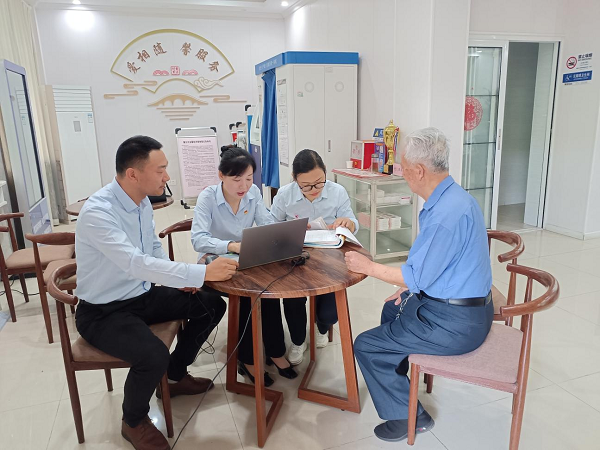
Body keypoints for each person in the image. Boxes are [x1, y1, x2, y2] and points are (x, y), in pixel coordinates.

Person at [75, 136, 238, 450]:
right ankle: (133, 420)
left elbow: (152, 249)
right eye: (160, 170)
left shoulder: (141, 203)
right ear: (133, 174)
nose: (167, 177)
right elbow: (135, 263)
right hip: (103, 311)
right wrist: (201, 273)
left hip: (141, 295)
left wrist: (180, 280)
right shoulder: (99, 212)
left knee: (210, 304)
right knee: (152, 355)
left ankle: (175, 376)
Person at [345, 128, 493, 443]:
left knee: (366, 345)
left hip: (456, 323)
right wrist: (411, 286)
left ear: (420, 171)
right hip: (458, 306)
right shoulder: (453, 198)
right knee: (391, 308)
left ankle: (411, 417)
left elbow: (418, 276)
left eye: (403, 167)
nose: (401, 172)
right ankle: (400, 384)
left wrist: (368, 267)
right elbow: (434, 267)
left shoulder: (445, 215)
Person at [190, 147, 297, 386]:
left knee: (269, 288)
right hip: (216, 261)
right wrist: (231, 245)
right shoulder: (208, 197)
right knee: (249, 295)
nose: (244, 186)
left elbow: (266, 223)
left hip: (246, 257)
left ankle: (275, 351)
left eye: (249, 178)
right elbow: (198, 239)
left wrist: (282, 232)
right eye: (236, 179)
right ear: (221, 176)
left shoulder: (253, 193)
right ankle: (247, 359)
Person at [270, 149, 359, 365]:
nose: (314, 190)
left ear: (325, 173)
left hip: (329, 257)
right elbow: (271, 225)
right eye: (306, 186)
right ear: (295, 179)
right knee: (293, 300)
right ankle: (298, 340)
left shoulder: (337, 192)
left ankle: (322, 327)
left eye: (319, 183)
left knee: (330, 311)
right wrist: (290, 230)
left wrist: (348, 223)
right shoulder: (284, 194)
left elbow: (352, 222)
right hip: (296, 257)